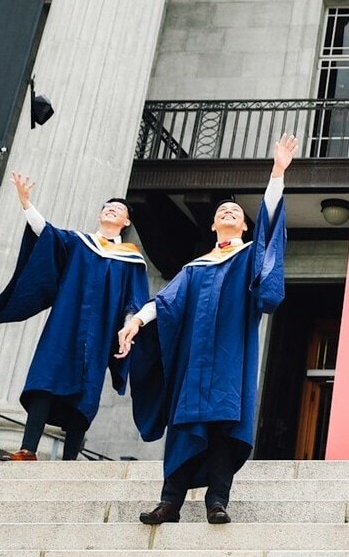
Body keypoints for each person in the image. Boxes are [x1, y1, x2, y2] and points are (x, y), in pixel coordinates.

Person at [119, 133, 295, 524]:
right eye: (223, 212)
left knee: (221, 429)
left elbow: (269, 230)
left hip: (230, 359)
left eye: (236, 212)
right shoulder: (194, 268)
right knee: (185, 427)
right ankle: (170, 503)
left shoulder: (250, 257)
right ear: (214, 225)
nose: (229, 213)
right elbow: (165, 303)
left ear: (245, 228)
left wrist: (277, 173)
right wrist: (136, 321)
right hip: (194, 364)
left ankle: (217, 501)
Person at [0, 173, 150, 461]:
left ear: (126, 222)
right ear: (99, 215)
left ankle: (70, 460)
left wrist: (127, 329)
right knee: (45, 378)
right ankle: (28, 449)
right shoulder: (77, 243)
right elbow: (46, 232)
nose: (112, 209)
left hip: (100, 332)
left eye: (119, 209)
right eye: (107, 206)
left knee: (86, 392)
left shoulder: (130, 259)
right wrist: (25, 202)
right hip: (65, 326)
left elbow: (134, 300)